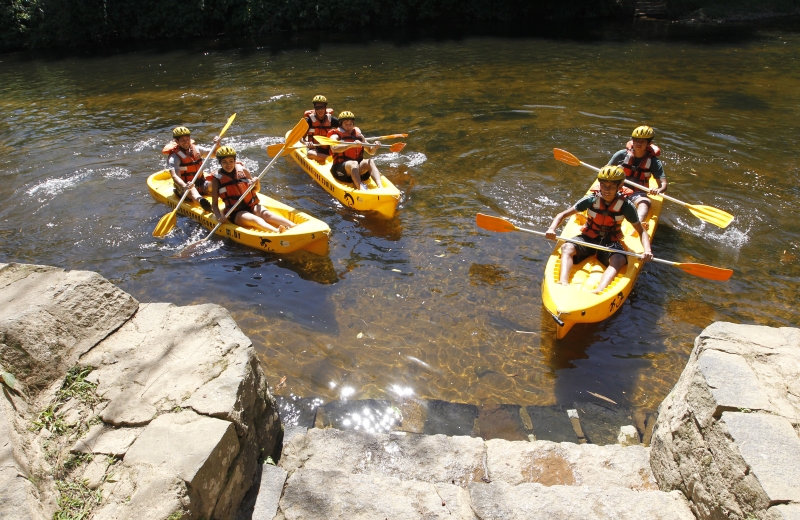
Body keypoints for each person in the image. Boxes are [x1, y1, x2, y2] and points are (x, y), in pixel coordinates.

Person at [545, 165, 653, 294]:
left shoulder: (626, 206)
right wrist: (552, 228)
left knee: (619, 259)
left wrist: (647, 250)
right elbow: (562, 215)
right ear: (599, 184)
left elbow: (641, 231)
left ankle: (599, 290)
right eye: (603, 185)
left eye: (611, 186)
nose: (606, 190)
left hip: (610, 242)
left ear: (619, 187)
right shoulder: (590, 199)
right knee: (567, 247)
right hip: (588, 238)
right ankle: (563, 281)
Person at [210, 146, 295, 233]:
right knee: (256, 220)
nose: (228, 164)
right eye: (224, 162)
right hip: (236, 212)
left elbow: (256, 190)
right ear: (220, 163)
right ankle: (277, 232)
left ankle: (293, 226)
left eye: (231, 161)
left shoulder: (243, 171)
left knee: (267, 214)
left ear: (235, 161)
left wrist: (257, 183)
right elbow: (214, 204)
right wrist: (219, 217)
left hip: (252, 206)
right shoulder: (217, 180)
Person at [608, 125, 668, 227]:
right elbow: (605, 170)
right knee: (599, 196)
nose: (638, 143)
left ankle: (638, 225)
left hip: (637, 193)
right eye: (636, 140)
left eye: (643, 141)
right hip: (617, 188)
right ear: (632, 141)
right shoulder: (621, 154)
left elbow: (663, 184)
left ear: (649, 143)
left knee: (645, 203)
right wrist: (611, 172)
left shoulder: (654, 162)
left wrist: (659, 190)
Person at [162, 126, 220, 212]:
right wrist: (185, 186)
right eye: (182, 140)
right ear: (176, 141)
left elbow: (215, 154)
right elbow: (175, 176)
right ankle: (202, 202)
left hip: (201, 183)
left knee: (216, 183)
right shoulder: (174, 157)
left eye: (187, 139)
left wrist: (217, 145)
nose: (186, 142)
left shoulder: (196, 149)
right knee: (192, 189)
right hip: (185, 188)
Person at [327, 111, 381, 190]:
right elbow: (334, 149)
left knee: (370, 161)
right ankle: (361, 189)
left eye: (351, 124)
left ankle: (380, 187)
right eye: (346, 124)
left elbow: (370, 151)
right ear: (341, 124)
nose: (349, 126)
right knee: (354, 163)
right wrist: (351, 145)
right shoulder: (335, 135)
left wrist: (375, 147)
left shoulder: (358, 135)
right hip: (340, 171)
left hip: (356, 169)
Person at [303, 95, 339, 165]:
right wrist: (306, 143)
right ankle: (331, 158)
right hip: (314, 149)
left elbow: (343, 129)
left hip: (328, 148)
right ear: (315, 109)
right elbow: (302, 138)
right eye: (317, 108)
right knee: (310, 154)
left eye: (322, 107)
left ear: (325, 108)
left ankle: (331, 157)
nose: (320, 110)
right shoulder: (309, 121)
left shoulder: (331, 119)